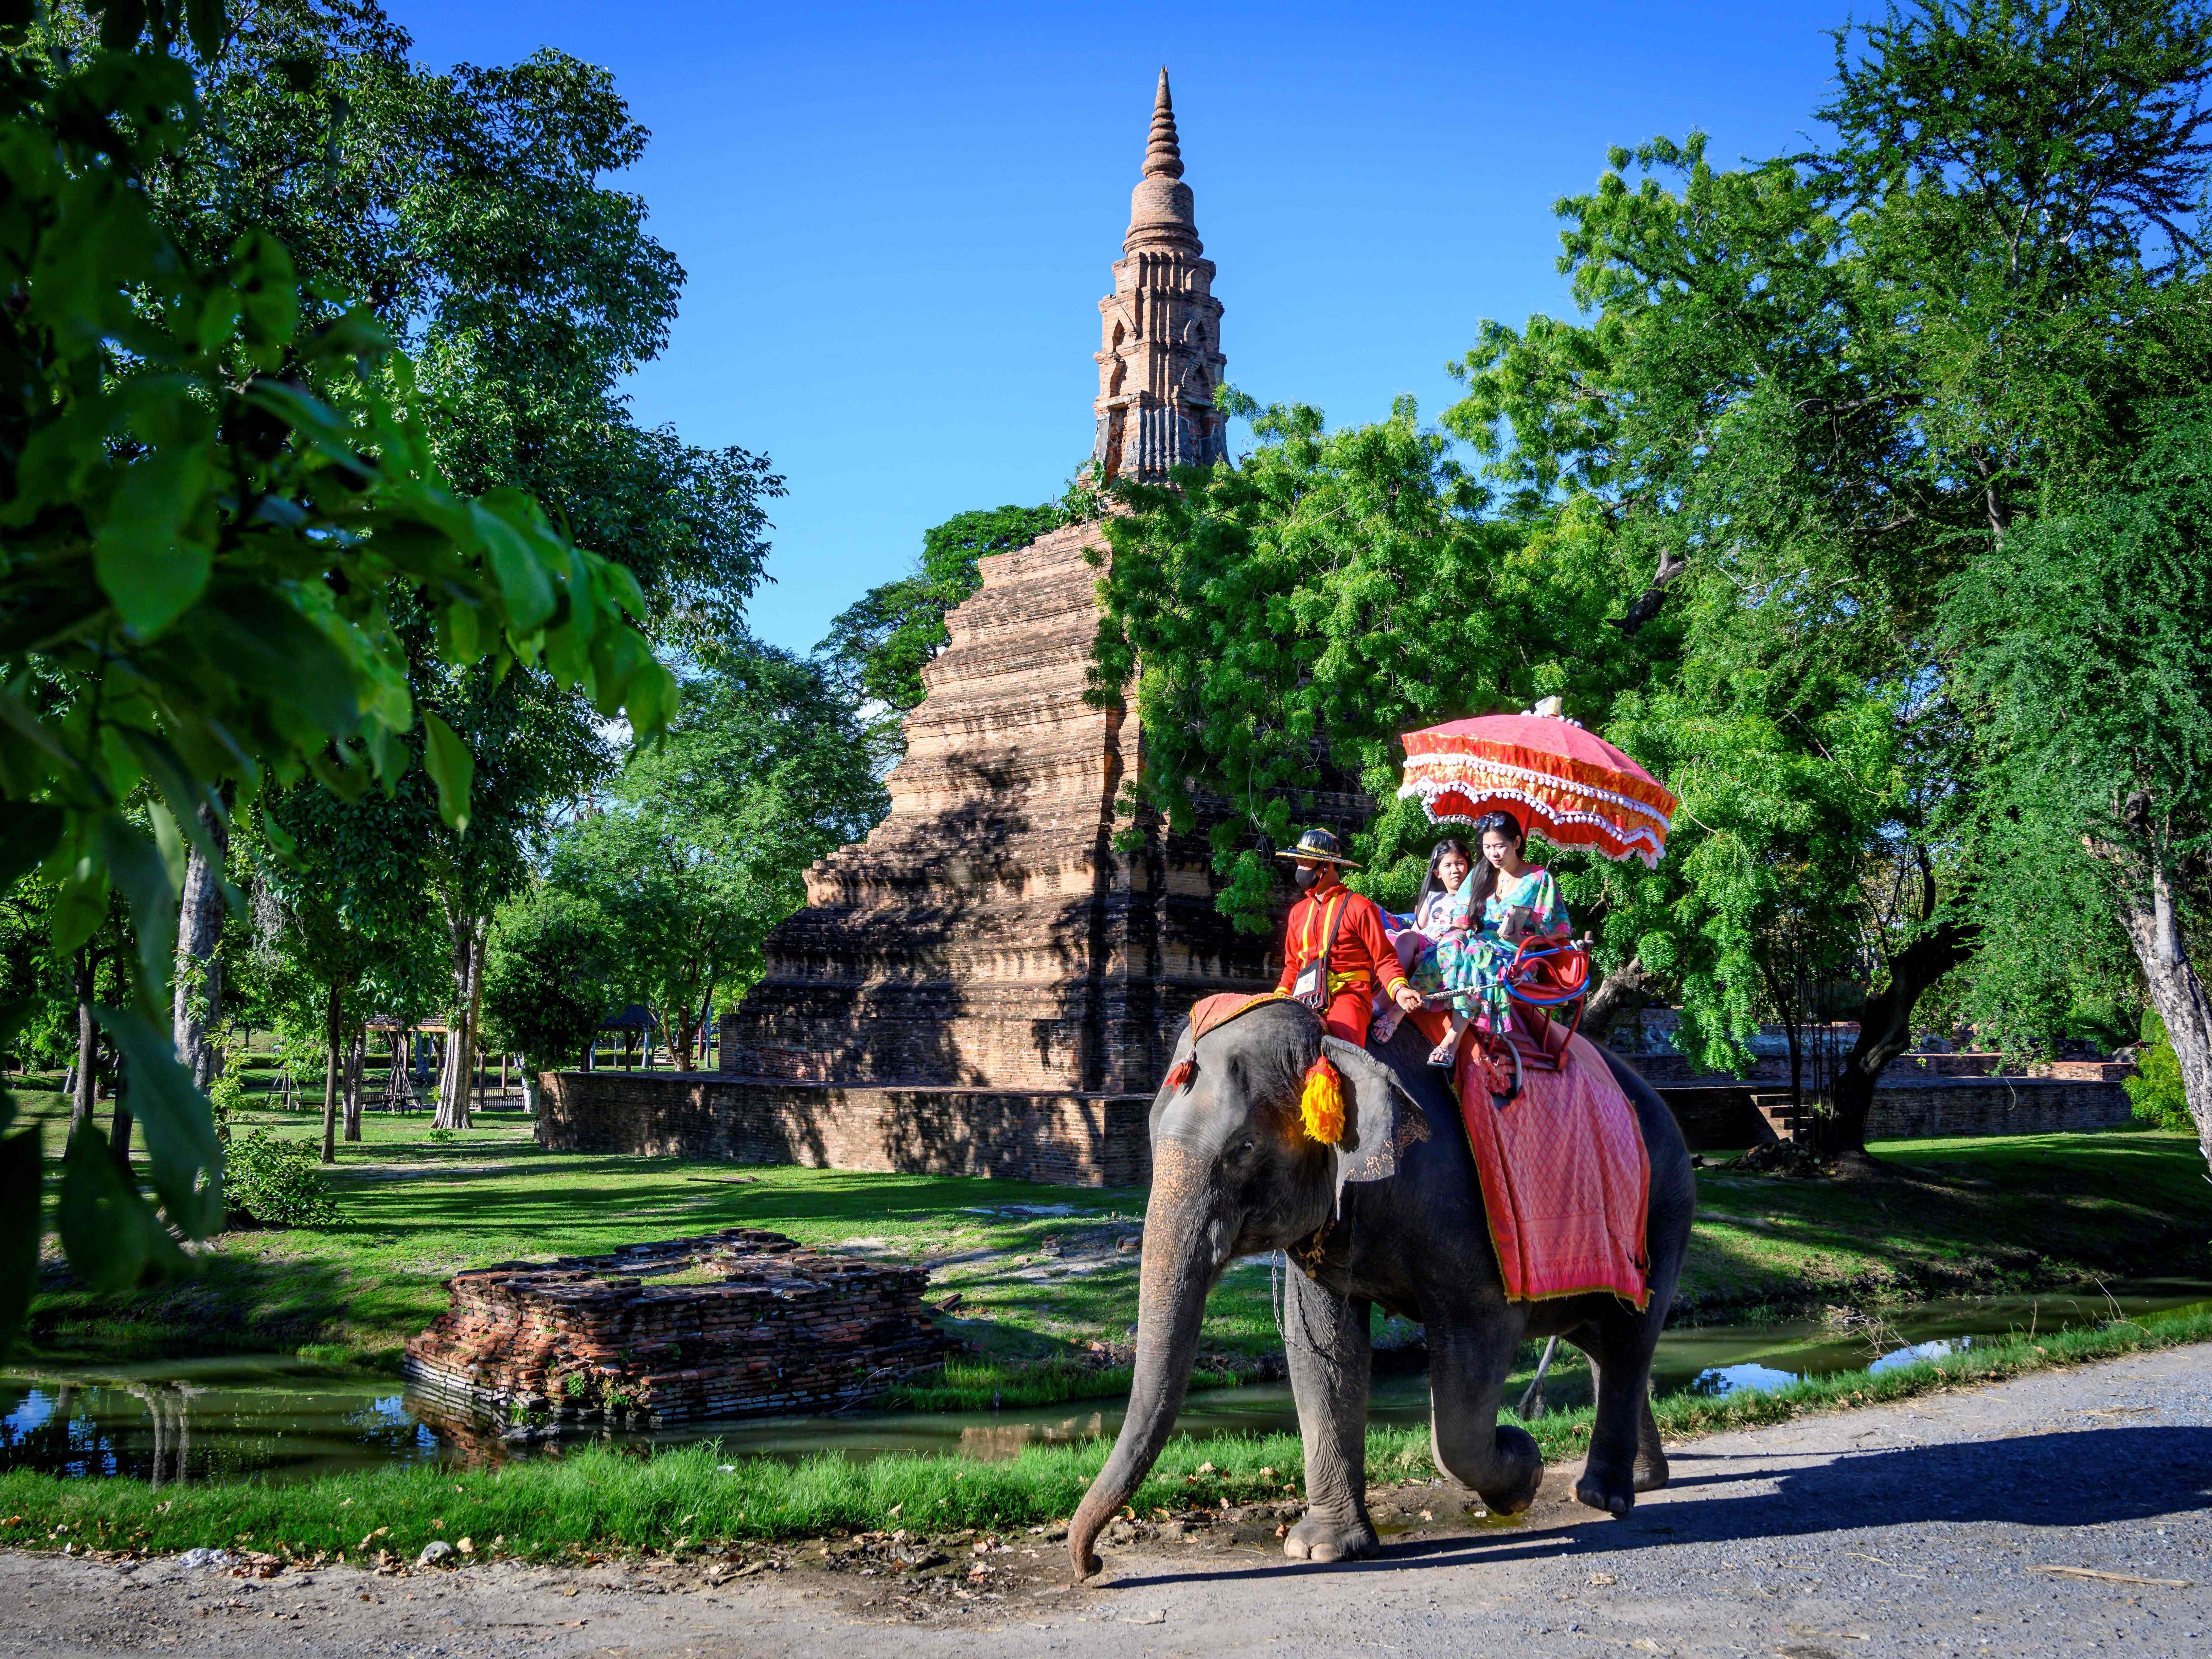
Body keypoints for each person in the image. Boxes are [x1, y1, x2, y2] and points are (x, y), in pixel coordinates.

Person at [1273, 828, 1423, 1048]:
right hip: (1303, 998)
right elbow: (1292, 967)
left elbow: (1384, 959)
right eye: (1299, 861)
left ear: (1326, 865)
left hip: (1348, 997)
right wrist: (1279, 998)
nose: (1300, 868)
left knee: (1343, 1054)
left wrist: (1399, 990)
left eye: (1306, 862)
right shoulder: (1298, 912)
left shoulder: (1360, 907)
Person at [1457, 809, 1572, 1053]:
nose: (1493, 854)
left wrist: (1521, 938)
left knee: (1477, 953)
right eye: (1487, 847)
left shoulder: (1540, 879)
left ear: (1517, 842)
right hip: (1475, 945)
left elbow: (1558, 931)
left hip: (1518, 956)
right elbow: (1459, 918)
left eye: (1499, 846)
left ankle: (1456, 1036)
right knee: (1451, 948)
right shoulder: (1479, 874)